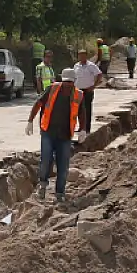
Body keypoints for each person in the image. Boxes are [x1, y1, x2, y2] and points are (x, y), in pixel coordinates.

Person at [26, 67, 81, 201]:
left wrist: (83, 129)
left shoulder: (78, 94)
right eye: (66, 82)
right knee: (45, 160)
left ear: (74, 82)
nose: (68, 85)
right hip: (48, 132)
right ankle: (43, 186)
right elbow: (38, 103)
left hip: (65, 135)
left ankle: (60, 193)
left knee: (63, 165)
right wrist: (30, 120)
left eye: (71, 82)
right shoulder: (52, 89)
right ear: (62, 80)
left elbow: (82, 112)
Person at [71, 48, 103, 136]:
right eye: (79, 55)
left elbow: (99, 74)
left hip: (87, 90)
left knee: (87, 109)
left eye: (83, 55)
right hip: (78, 91)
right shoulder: (76, 65)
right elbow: (74, 77)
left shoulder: (91, 65)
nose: (81, 57)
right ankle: (81, 127)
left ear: (86, 56)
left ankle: (86, 129)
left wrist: (94, 86)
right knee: (78, 110)